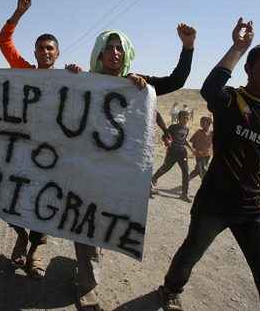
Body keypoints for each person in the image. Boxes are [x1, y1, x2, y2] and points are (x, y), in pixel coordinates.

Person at [157, 18, 260, 311]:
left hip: (253, 209)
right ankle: (170, 290)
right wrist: (239, 47)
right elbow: (210, 87)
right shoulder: (231, 100)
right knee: (189, 256)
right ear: (249, 69)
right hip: (214, 204)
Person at [67, 23, 196, 310]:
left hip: (118, 174)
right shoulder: (85, 80)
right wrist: (71, 77)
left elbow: (176, 80)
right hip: (86, 168)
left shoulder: (137, 83)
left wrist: (187, 47)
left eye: (119, 48)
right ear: (99, 54)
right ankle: (86, 285)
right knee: (84, 221)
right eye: (109, 48)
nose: (115, 52)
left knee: (103, 222)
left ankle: (89, 262)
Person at [0, 0, 57, 278]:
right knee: (10, 196)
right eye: (41, 48)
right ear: (34, 52)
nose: (45, 52)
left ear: (56, 54)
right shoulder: (23, 70)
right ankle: (21, 235)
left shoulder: (70, 80)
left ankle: (36, 250)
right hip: (19, 149)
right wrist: (19, 13)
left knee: (45, 200)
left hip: (52, 155)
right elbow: (3, 40)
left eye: (50, 48)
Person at [151, 110, 194, 202]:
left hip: (182, 152)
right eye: (184, 117)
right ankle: (154, 178)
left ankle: (184, 194)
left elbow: (184, 140)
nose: (186, 119)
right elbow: (164, 136)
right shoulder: (173, 127)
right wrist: (166, 141)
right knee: (166, 168)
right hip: (172, 152)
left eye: (187, 117)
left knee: (186, 172)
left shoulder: (187, 129)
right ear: (179, 118)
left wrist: (191, 148)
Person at [188, 116, 213, 181]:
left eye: (203, 122)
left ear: (208, 124)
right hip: (199, 155)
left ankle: (186, 179)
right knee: (202, 170)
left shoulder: (212, 133)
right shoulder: (198, 132)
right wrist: (195, 150)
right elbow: (193, 143)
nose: (201, 123)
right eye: (201, 122)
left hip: (207, 155)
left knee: (198, 170)